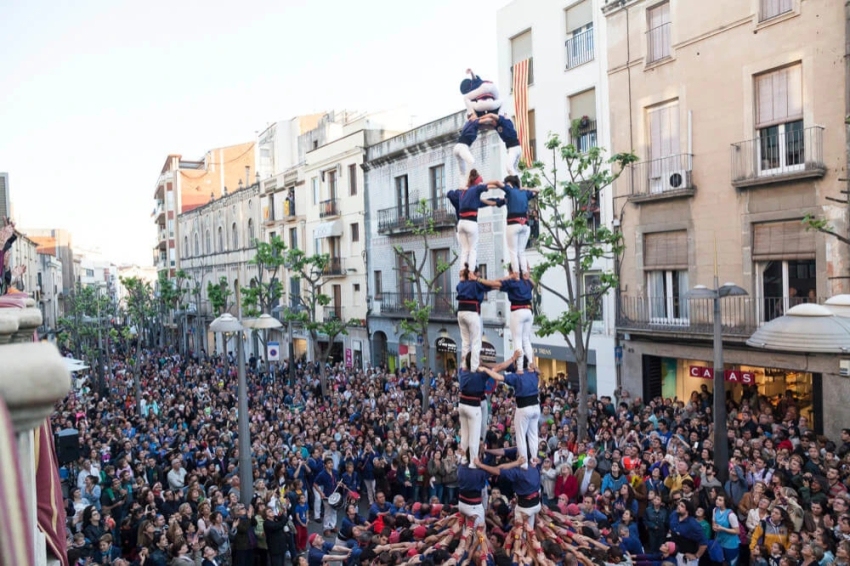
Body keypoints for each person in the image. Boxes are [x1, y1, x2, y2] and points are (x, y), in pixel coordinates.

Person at [481, 352, 539, 467]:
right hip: (536, 407)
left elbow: (499, 376)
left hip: (524, 407)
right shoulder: (534, 372)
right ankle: (534, 458)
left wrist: (485, 370)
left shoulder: (517, 376)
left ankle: (524, 463)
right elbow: (503, 365)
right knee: (533, 434)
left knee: (521, 436)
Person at [446, 170, 504, 273]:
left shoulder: (461, 194)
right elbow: (490, 199)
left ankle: (463, 272)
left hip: (460, 227)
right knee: (472, 251)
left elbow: (449, 193)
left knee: (465, 251)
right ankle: (472, 272)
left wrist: (460, 189)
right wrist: (504, 190)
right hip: (470, 223)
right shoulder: (475, 194)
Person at [485, 268, 534, 369]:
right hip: (529, 311)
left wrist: (509, 277)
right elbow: (533, 283)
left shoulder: (512, 282)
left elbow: (496, 282)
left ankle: (519, 367)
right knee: (526, 339)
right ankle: (531, 363)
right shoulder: (527, 281)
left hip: (517, 311)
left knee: (517, 340)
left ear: (512, 272)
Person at [499, 175, 539, 274]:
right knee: (521, 251)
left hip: (513, 223)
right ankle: (525, 273)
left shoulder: (509, 190)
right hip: (525, 225)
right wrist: (525, 188)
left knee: (513, 251)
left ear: (509, 184)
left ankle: (516, 273)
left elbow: (498, 184)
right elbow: (538, 190)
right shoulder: (524, 192)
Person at [313, 458, 339, 537]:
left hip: (334, 495)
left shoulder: (335, 472)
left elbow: (336, 481)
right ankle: (326, 528)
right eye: (329, 463)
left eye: (331, 462)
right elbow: (315, 484)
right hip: (327, 496)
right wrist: (320, 493)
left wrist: (339, 484)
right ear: (325, 465)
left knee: (334, 511)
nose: (331, 464)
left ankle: (333, 526)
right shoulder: (322, 474)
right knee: (328, 512)